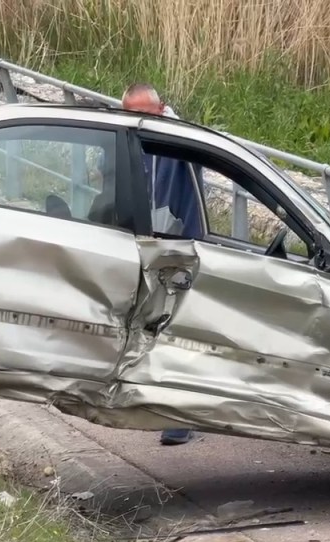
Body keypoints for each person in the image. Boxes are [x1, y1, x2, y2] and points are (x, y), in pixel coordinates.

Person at [121, 83, 203, 446]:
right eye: (132, 114)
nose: (139, 120)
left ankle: (180, 417)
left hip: (182, 247)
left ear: (161, 108)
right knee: (149, 326)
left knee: (179, 330)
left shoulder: (180, 141)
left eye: (145, 113)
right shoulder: (130, 140)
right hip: (146, 246)